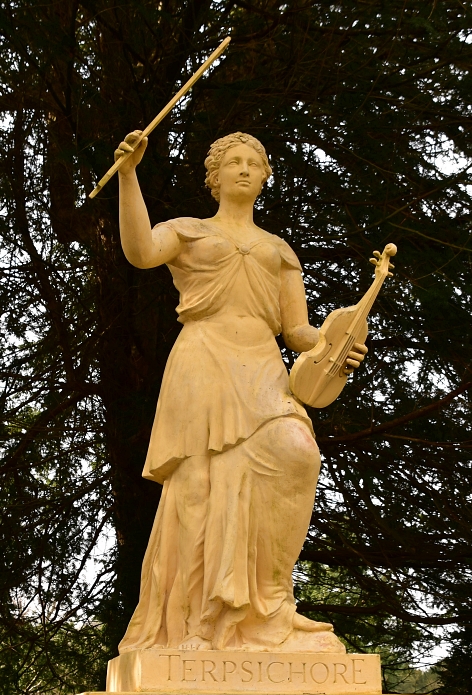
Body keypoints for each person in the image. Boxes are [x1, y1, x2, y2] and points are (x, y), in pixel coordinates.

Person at [115, 130, 367, 653]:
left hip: (261, 367)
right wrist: (129, 175)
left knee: (299, 454)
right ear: (215, 176)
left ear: (266, 176)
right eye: (234, 161)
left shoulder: (279, 251)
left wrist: (337, 348)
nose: (246, 169)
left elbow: (298, 333)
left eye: (255, 162)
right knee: (201, 489)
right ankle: (202, 623)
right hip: (203, 362)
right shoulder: (187, 231)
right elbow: (140, 252)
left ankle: (271, 601)